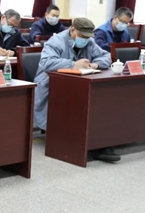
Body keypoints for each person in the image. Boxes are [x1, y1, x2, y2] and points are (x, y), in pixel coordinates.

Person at [33, 18, 115, 161]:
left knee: (94, 102)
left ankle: (96, 142)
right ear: (72, 30)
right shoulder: (56, 41)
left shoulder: (89, 41)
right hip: (53, 85)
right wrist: (72, 64)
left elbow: (106, 56)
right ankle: (83, 144)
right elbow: (46, 63)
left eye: (88, 37)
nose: (85, 40)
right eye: (82, 36)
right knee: (76, 106)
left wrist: (95, 64)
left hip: (78, 84)